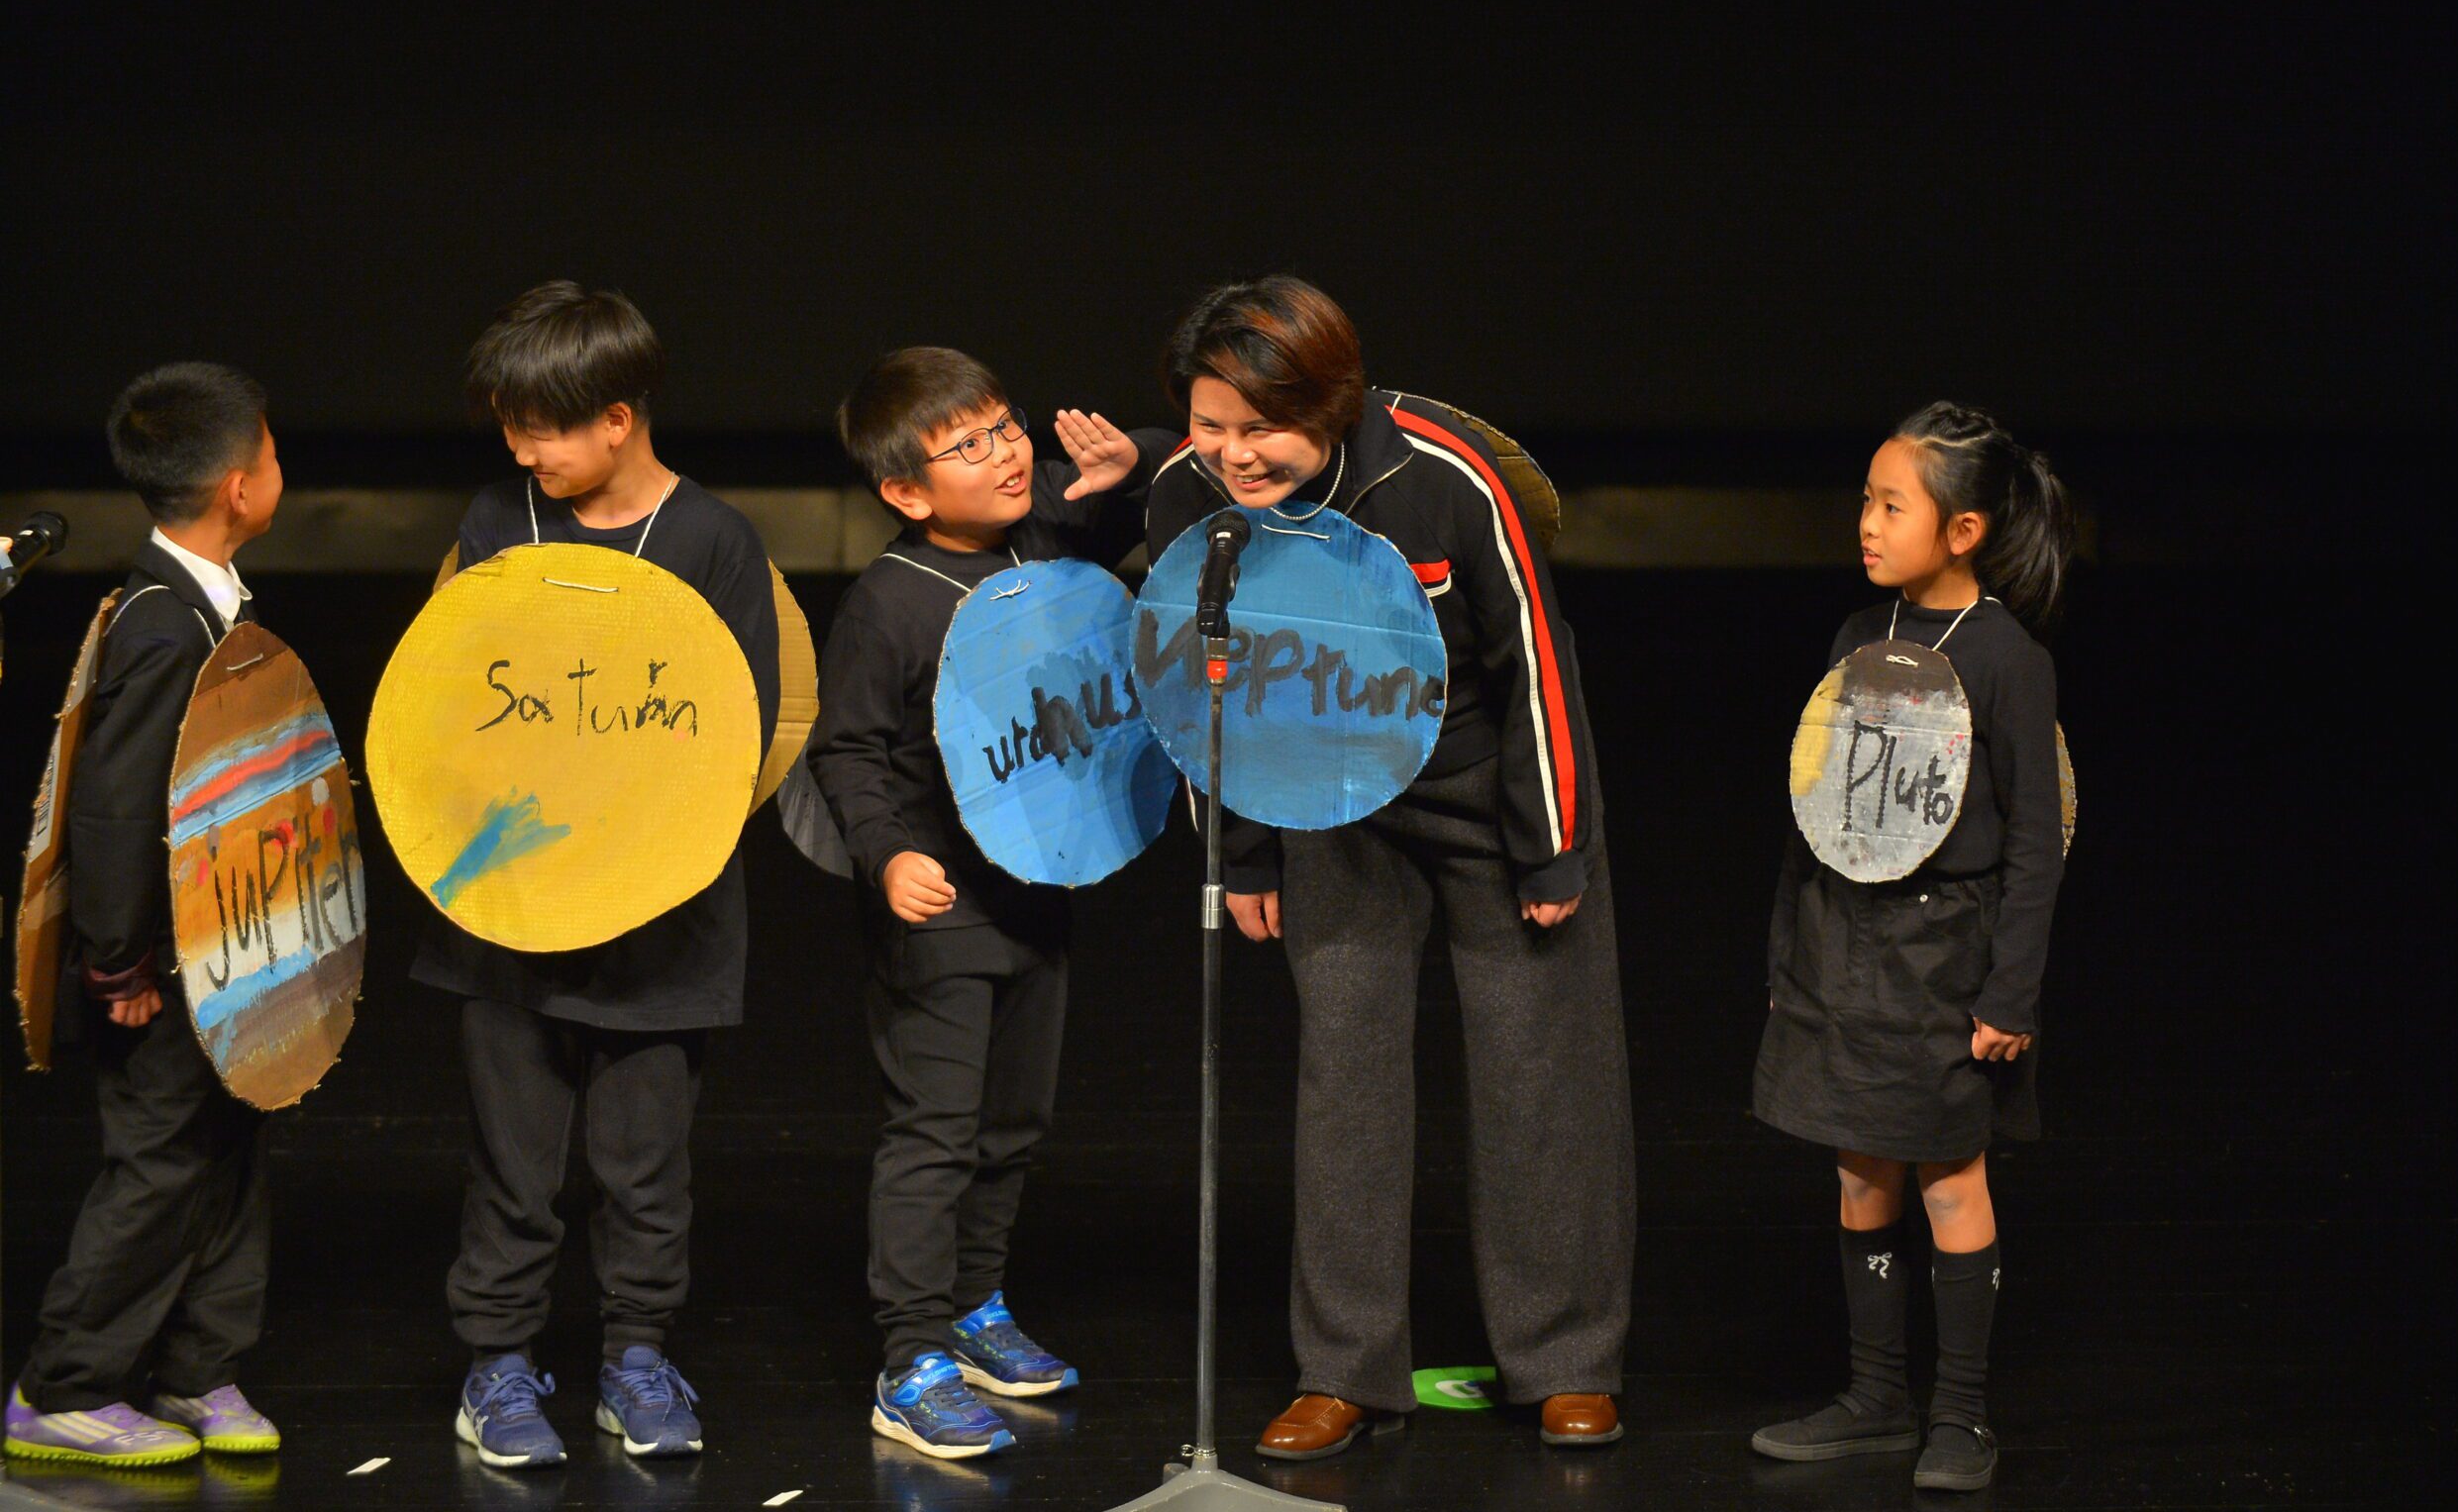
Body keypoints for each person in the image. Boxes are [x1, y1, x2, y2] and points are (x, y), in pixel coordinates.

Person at [1143, 275, 1634, 1458]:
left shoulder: (1443, 474)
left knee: (1537, 1078)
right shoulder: (1187, 502)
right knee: (1344, 1081)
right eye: (1208, 425)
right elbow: (1209, 688)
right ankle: (1345, 1371)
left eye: (1258, 427)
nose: (1230, 454)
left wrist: (1552, 843)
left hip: (1486, 792)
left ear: (1331, 402)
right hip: (1331, 800)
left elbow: (1535, 664)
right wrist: (1244, 849)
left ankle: (1564, 1360)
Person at [408, 281, 780, 1467]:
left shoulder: (713, 540)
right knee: (514, 1164)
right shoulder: (496, 521)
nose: (523, 448)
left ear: (617, 418)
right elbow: (452, 701)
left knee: (643, 1166)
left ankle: (635, 1358)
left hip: (660, 921)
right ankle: (501, 1366)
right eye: (511, 427)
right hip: (510, 910)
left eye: (544, 426)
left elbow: (739, 728)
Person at [807, 347, 1173, 1460]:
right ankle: (910, 1353)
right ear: (906, 491)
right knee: (936, 1130)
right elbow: (847, 751)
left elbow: (1147, 504)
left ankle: (976, 1309)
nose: (1007, 452)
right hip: (940, 906)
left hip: (1039, 889)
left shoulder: (1049, 541)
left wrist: (1133, 464)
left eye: (1007, 427)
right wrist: (883, 858)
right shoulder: (891, 600)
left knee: (1012, 1126)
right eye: (966, 446)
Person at [1748, 401, 2076, 1494]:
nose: (1869, 523)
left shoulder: (2004, 660)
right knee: (1858, 1165)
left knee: (1947, 1174)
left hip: (1947, 952)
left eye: (1893, 505)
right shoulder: (1858, 637)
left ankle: (1962, 1416)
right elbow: (1819, 807)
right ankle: (1876, 1397)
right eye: (1866, 501)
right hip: (1846, 943)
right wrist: (1791, 968)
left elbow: (2035, 842)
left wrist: (2009, 994)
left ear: (1965, 529)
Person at [6, 363, 288, 1465]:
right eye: (268, 454)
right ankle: (61, 1386)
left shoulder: (206, 604)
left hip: (228, 955)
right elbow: (117, 808)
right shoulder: (165, 623)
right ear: (236, 485)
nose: (277, 471)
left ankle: (197, 1367)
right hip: (161, 970)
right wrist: (118, 964)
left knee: (227, 1146)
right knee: (160, 1159)